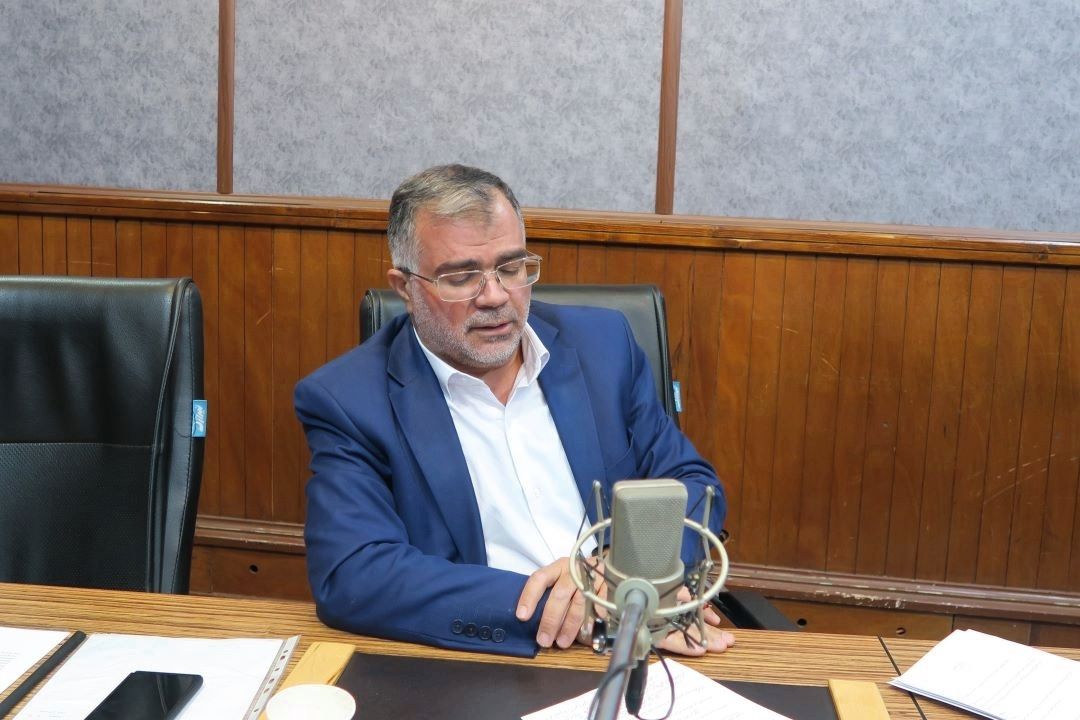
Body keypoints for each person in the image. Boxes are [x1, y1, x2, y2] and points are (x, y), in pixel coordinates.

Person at [295, 164, 734, 658]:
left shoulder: (605, 346)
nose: (495, 296)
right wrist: (571, 604)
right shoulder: (349, 399)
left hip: (646, 629)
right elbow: (355, 573)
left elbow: (693, 484)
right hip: (491, 654)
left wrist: (626, 576)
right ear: (405, 288)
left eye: (511, 267)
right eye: (462, 277)